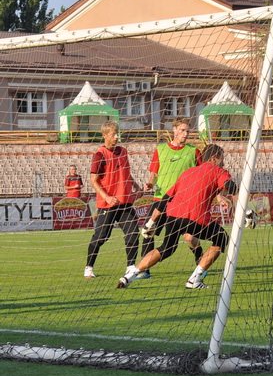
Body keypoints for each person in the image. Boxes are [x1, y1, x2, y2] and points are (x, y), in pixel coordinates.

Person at [118, 144, 236, 290]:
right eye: (222, 159)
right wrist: (238, 199)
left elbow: (165, 199)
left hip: (173, 215)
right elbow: (230, 186)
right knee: (221, 238)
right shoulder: (218, 170)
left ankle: (129, 276)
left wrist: (151, 222)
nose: (223, 162)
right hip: (195, 217)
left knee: (166, 248)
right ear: (214, 158)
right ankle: (195, 280)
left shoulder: (188, 172)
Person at [138, 117, 202, 279]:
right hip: (160, 200)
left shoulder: (193, 152)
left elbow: (203, 173)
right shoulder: (160, 149)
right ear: (174, 130)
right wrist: (150, 183)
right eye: (182, 130)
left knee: (189, 237)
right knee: (148, 232)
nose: (185, 134)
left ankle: (199, 256)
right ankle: (144, 270)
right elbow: (154, 173)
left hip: (182, 203)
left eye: (187, 131)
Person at [84, 121, 141, 279]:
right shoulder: (100, 155)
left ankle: (130, 268)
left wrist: (135, 184)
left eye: (117, 134)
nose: (116, 137)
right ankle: (89, 267)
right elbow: (93, 180)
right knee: (101, 236)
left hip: (125, 202)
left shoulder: (123, 151)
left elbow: (125, 172)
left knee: (133, 232)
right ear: (104, 135)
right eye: (113, 134)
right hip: (107, 204)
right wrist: (107, 197)